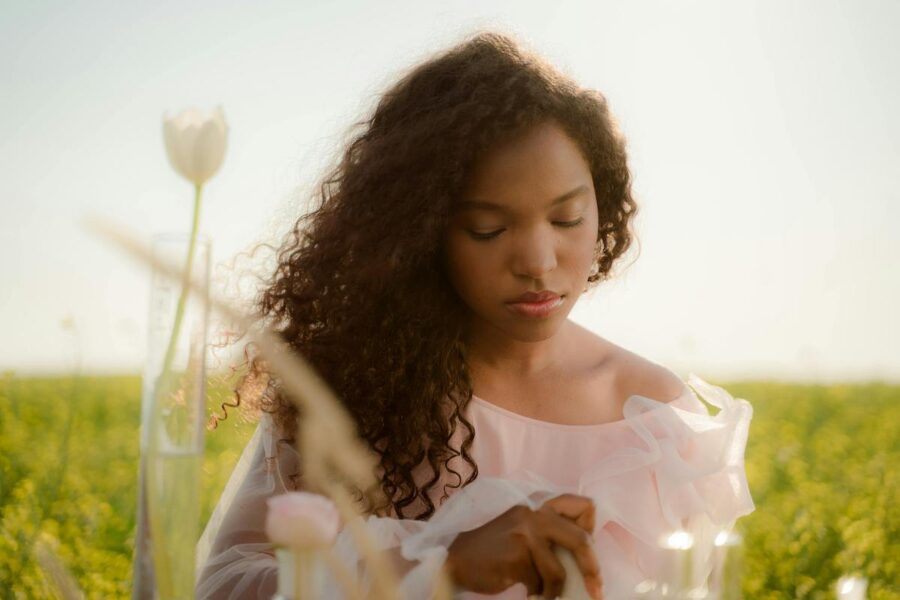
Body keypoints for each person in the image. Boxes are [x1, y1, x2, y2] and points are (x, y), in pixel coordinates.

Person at [195, 30, 754, 599]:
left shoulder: (656, 423)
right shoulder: (354, 391)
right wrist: (440, 565)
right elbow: (222, 586)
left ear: (603, 210)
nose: (539, 263)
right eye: (488, 228)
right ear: (420, 233)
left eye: (567, 220)